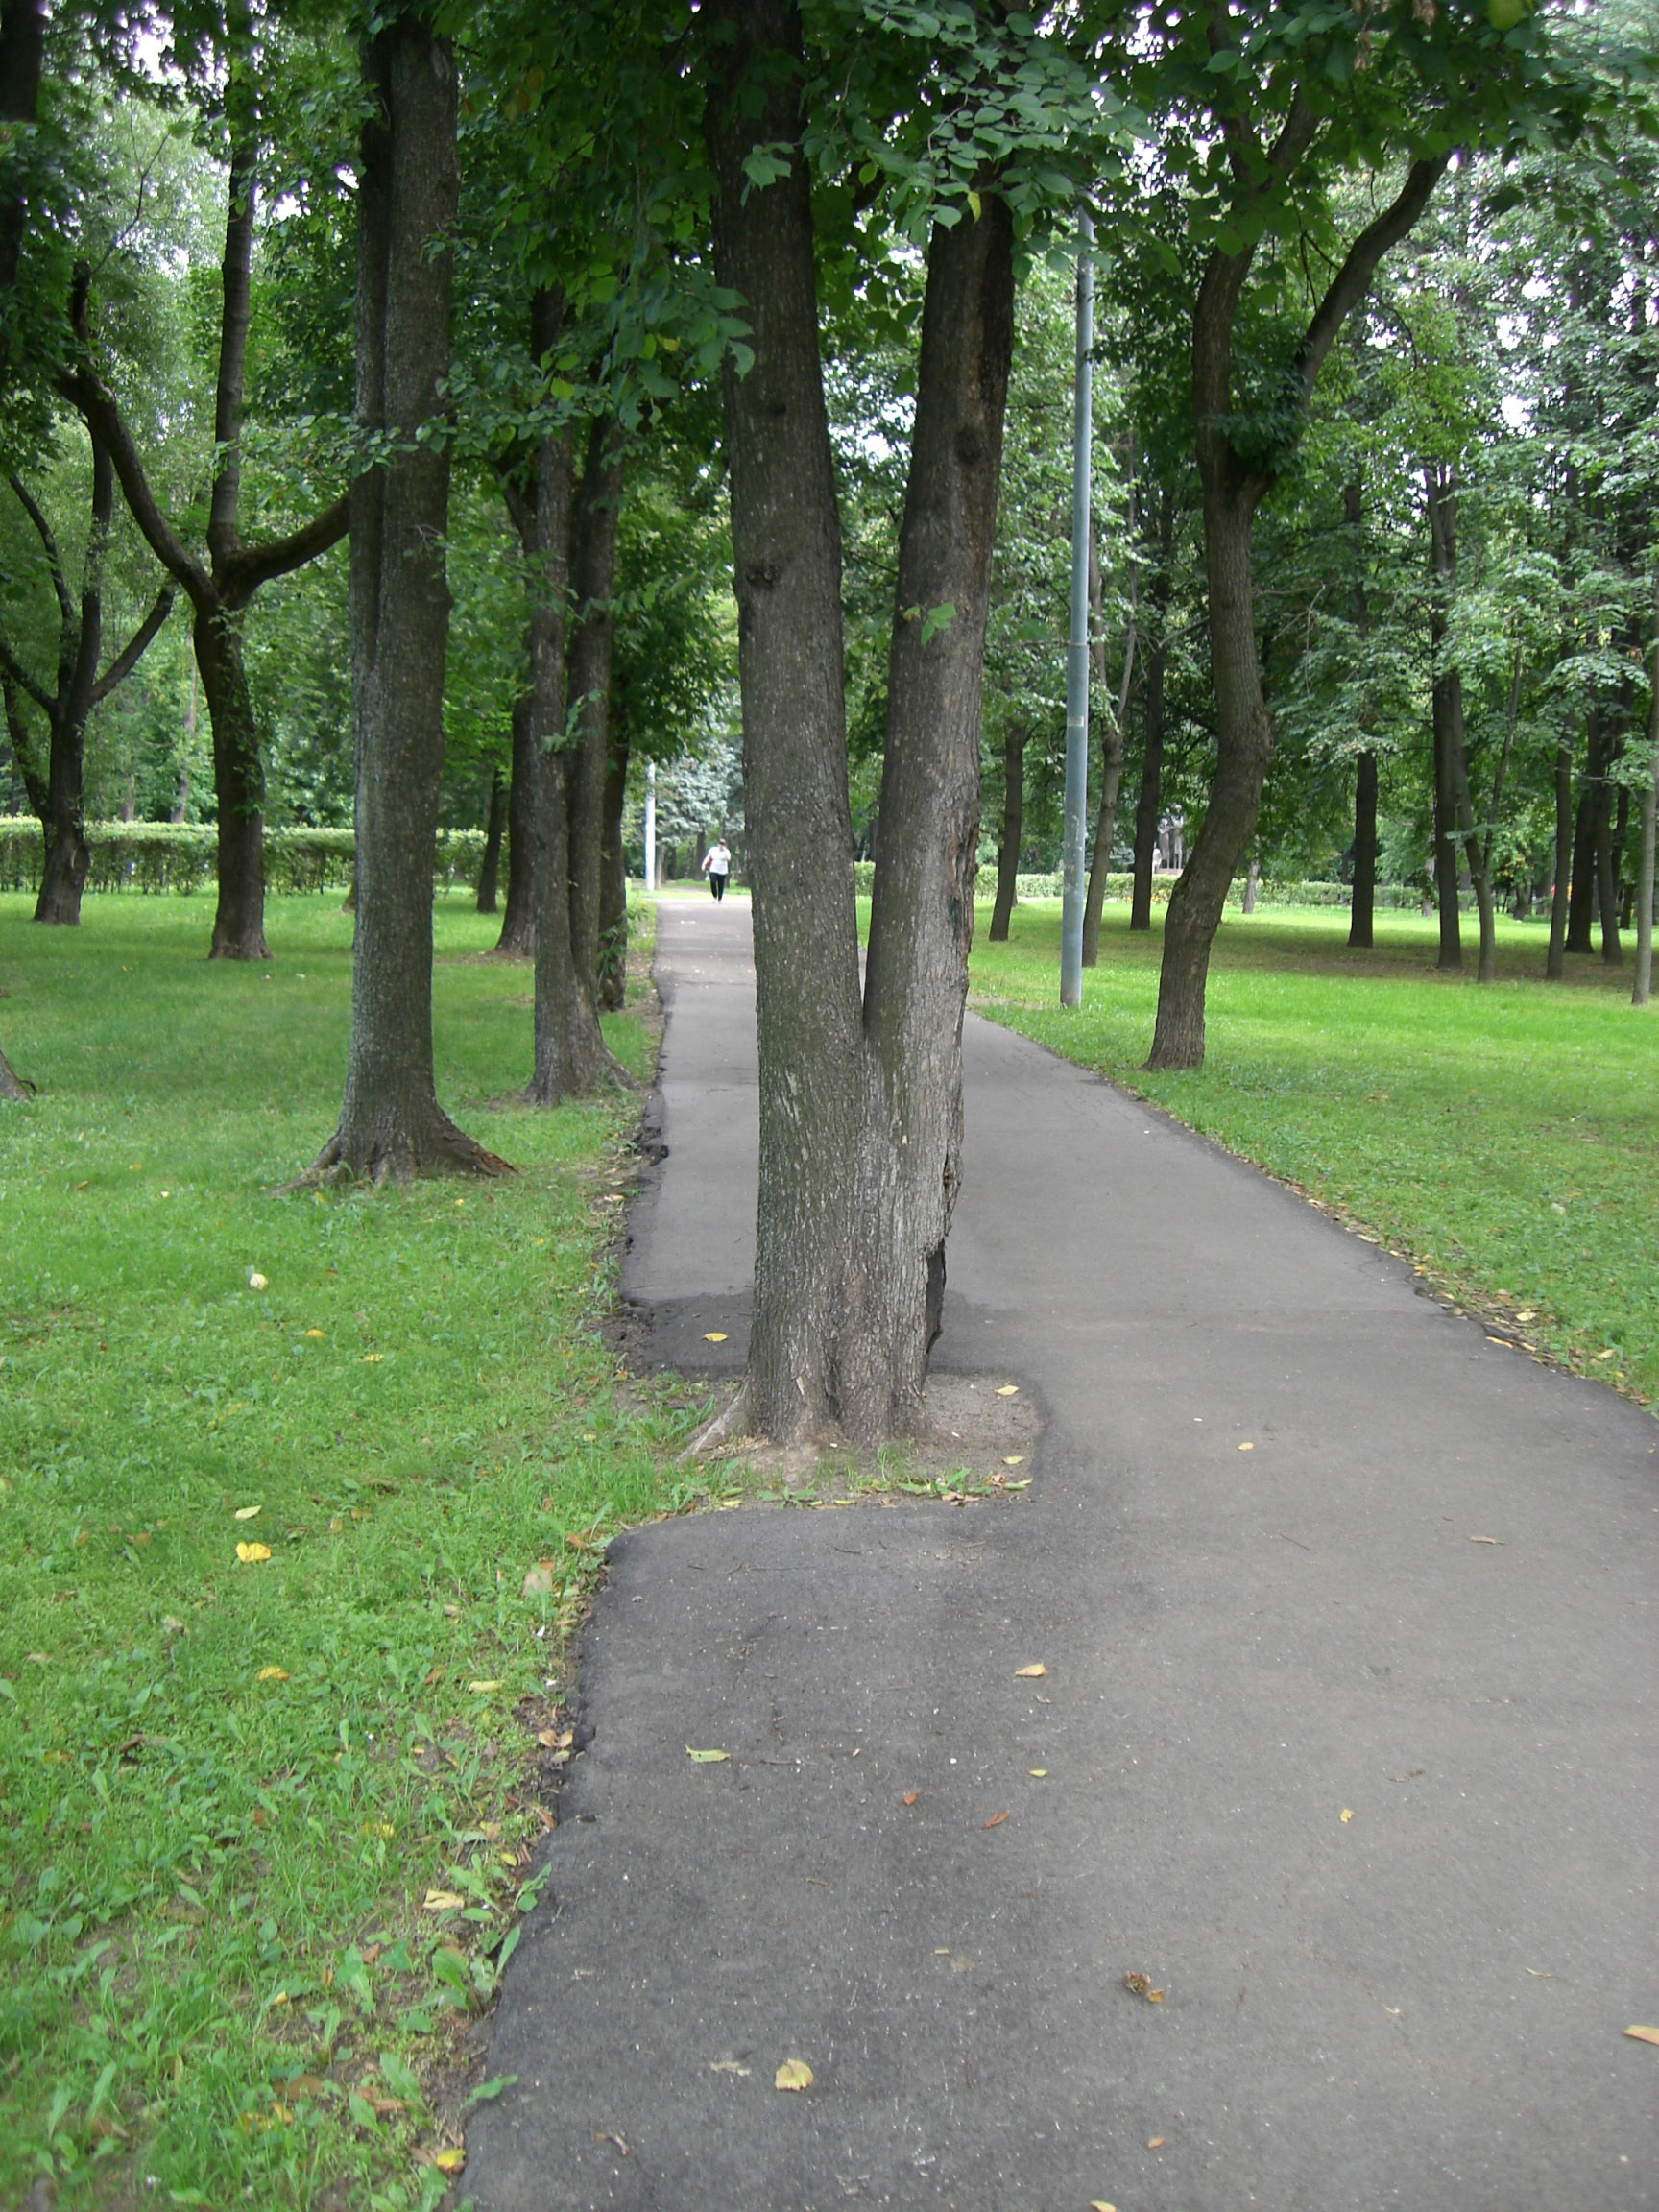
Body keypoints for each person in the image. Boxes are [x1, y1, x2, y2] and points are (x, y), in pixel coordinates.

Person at [701, 836, 732, 902]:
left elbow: (728, 859)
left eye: (722, 844)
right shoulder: (713, 850)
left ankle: (719, 898)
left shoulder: (726, 851)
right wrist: (704, 864)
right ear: (718, 844)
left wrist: (725, 850)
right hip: (714, 869)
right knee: (713, 882)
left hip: (722, 871)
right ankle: (715, 896)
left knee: (721, 884)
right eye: (720, 844)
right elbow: (708, 857)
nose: (721, 845)